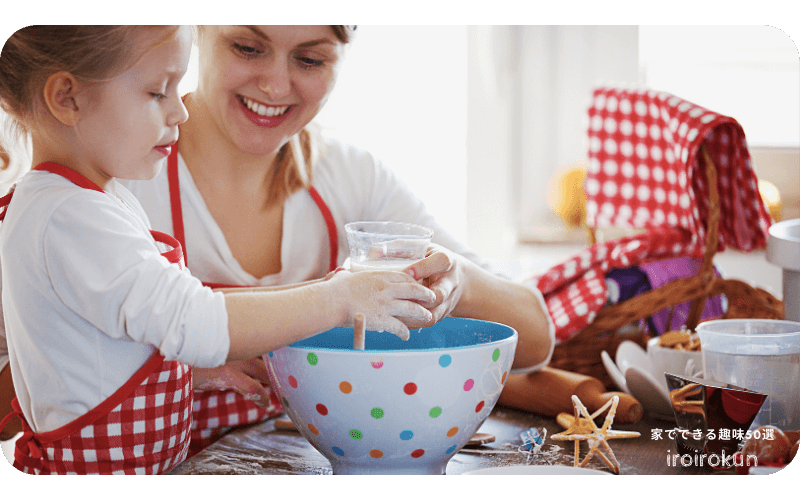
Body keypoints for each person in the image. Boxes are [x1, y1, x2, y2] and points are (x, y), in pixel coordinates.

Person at [0, 25, 435, 474]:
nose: (179, 113)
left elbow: (100, 350)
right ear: (67, 98)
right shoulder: (72, 218)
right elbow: (194, 318)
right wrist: (338, 299)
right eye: (157, 93)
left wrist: (186, 374)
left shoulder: (90, 200)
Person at [119, 25, 555, 453]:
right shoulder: (123, 171)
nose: (274, 85)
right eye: (248, 48)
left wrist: (457, 278)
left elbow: (535, 337)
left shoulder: (352, 181)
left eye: (310, 59)